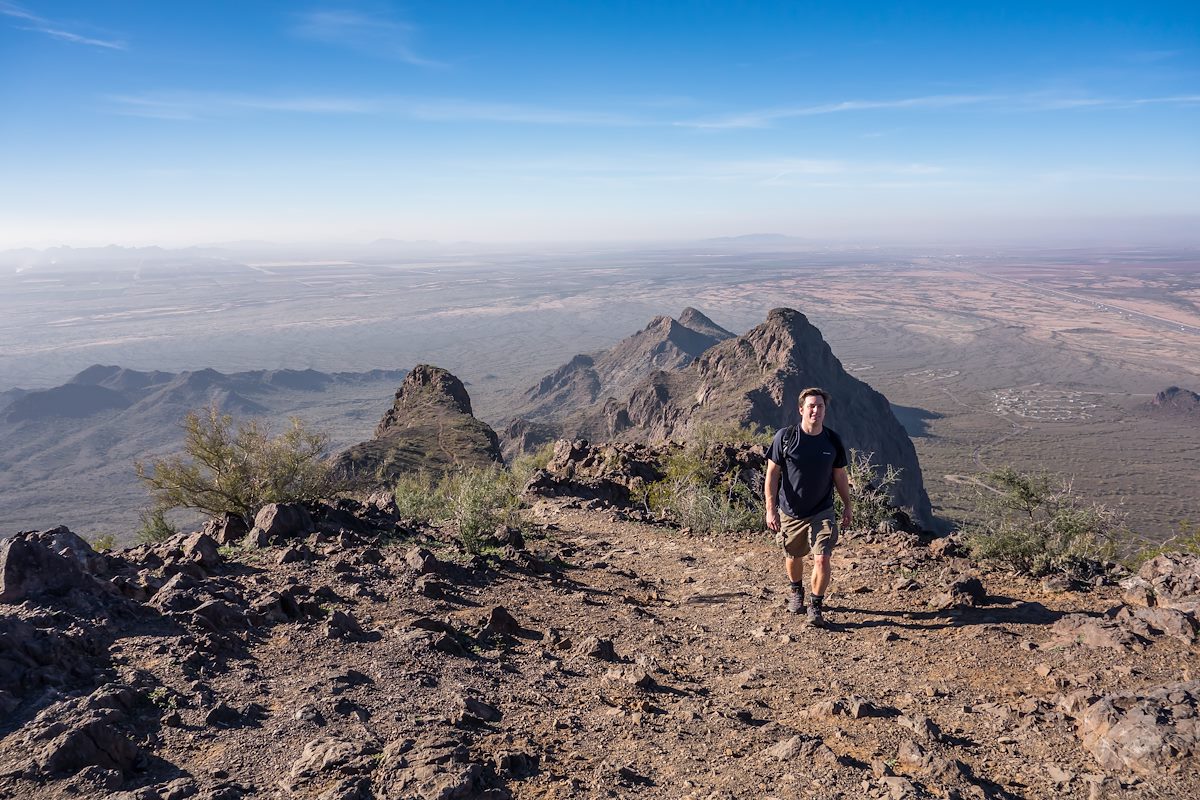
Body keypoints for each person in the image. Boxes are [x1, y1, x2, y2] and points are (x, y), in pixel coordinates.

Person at [764, 387, 852, 627]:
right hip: (791, 511)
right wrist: (770, 509)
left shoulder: (832, 440)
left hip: (822, 511)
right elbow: (772, 474)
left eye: (820, 406)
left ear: (825, 410)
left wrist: (847, 505)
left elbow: (840, 476)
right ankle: (796, 591)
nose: (816, 410)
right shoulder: (786, 437)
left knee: (822, 558)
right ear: (801, 409)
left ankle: (816, 605)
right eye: (811, 406)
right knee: (793, 555)